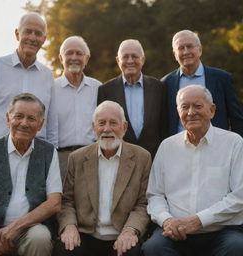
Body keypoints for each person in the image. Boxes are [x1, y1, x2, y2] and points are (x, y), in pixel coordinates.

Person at [142, 85, 243, 256]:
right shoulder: (167, 147)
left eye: (197, 106)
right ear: (178, 112)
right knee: (153, 248)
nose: (190, 112)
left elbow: (240, 195)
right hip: (175, 232)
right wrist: (167, 221)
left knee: (236, 248)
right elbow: (155, 195)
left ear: (212, 110)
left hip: (221, 231)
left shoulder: (233, 143)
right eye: (185, 107)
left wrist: (198, 221)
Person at [53, 100, 152, 256]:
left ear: (124, 127)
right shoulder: (77, 158)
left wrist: (130, 230)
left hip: (122, 233)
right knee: (65, 249)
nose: (107, 129)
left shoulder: (142, 157)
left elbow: (143, 203)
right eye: (101, 123)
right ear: (94, 128)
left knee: (131, 252)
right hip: (85, 234)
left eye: (113, 123)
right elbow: (67, 201)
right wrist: (69, 226)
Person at [0, 93, 62, 256]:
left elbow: (54, 202)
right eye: (18, 116)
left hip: (28, 229)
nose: (24, 123)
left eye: (31, 119)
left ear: (40, 124)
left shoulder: (48, 152)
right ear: (8, 119)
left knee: (40, 237)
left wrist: (15, 228)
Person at [0, 12, 58, 146]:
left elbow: (51, 123)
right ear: (17, 34)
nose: (32, 37)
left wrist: (52, 152)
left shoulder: (47, 75)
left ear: (43, 39)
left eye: (38, 33)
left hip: (36, 152)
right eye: (28, 32)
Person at [162, 29, 243, 136]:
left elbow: (236, 119)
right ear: (175, 54)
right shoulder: (166, 83)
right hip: (180, 148)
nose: (186, 52)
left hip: (216, 146)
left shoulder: (222, 79)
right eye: (181, 48)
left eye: (190, 46)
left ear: (200, 49)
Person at [97, 39, 167, 159]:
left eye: (134, 56)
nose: (130, 61)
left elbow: (164, 127)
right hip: (119, 160)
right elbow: (103, 130)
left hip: (153, 159)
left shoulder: (158, 88)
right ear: (118, 60)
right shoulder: (105, 90)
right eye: (125, 57)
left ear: (143, 60)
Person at [55, 36, 101, 178]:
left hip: (92, 157)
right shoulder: (50, 88)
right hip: (60, 159)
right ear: (61, 58)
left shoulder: (98, 88)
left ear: (86, 59)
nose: (74, 57)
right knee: (62, 200)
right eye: (69, 53)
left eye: (79, 53)